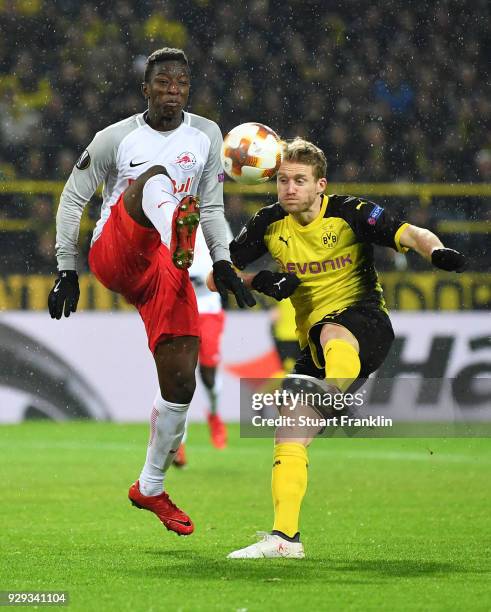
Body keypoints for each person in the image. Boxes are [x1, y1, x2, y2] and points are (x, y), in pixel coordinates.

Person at [47, 47, 255, 537]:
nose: (172, 92)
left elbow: (212, 207)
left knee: (181, 382)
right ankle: (176, 235)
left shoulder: (205, 135)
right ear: (146, 89)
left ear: (188, 88)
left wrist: (222, 260)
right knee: (155, 180)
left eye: (180, 83)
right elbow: (73, 198)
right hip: (120, 249)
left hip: (169, 266)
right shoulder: (115, 138)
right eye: (163, 83)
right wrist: (66, 268)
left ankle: (151, 486)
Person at [226, 137, 467, 558]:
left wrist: (437, 251)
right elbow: (219, 274)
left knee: (332, 332)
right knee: (289, 434)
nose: (289, 189)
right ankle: (285, 539)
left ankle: (333, 393)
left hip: (365, 322)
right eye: (282, 180)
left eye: (299, 180)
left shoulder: (350, 213)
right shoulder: (267, 224)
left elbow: (410, 232)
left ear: (321, 184)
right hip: (316, 342)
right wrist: (257, 280)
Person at [173, 224, 231, 468]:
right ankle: (178, 444)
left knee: (207, 371)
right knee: (179, 375)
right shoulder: (168, 216)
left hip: (207, 305)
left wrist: (206, 275)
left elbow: (227, 256)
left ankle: (214, 413)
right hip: (177, 304)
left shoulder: (213, 219)